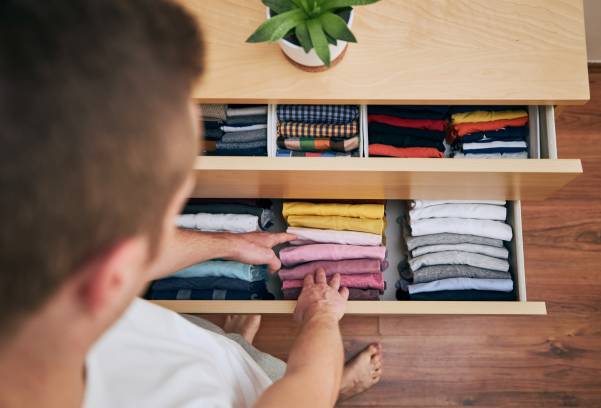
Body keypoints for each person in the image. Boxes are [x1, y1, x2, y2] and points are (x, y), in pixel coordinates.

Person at [0, 1, 383, 407]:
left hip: (195, 353)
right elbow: (307, 393)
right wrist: (321, 318)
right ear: (110, 276)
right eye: (163, 220)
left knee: (222, 349)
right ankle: (335, 384)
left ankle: (234, 346)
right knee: (290, 379)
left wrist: (226, 243)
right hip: (263, 388)